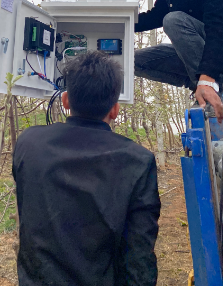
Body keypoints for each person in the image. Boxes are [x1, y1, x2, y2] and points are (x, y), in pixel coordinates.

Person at [13, 51, 160, 285]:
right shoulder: (138, 161)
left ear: (65, 101)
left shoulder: (29, 143)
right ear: (115, 110)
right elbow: (139, 259)